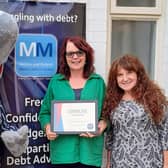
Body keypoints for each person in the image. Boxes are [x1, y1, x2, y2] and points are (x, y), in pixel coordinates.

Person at [38, 36, 107, 168]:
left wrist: (102, 126)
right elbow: (45, 112)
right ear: (65, 57)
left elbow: (107, 114)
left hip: (90, 154)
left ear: (86, 56)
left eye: (79, 52)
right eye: (70, 53)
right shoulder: (56, 82)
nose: (75, 57)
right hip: (62, 153)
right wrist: (48, 127)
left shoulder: (98, 82)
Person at [102, 54, 168, 168]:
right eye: (120, 75)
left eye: (129, 73)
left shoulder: (154, 98)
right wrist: (108, 163)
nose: (125, 78)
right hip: (120, 162)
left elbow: (165, 133)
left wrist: (166, 164)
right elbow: (110, 137)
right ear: (115, 79)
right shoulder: (112, 101)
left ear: (138, 74)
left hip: (149, 161)